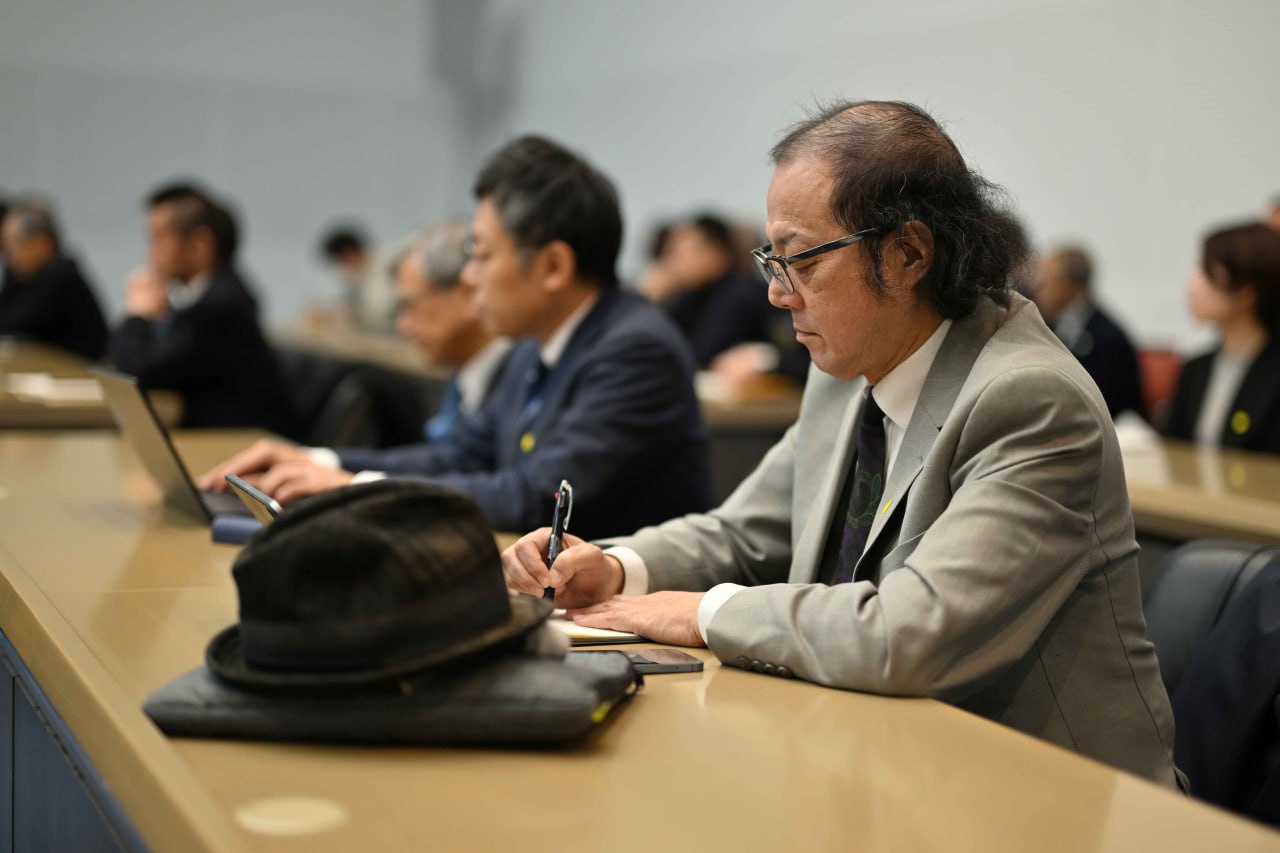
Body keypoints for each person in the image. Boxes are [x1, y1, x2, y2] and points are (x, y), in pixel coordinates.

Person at [503, 100, 1181, 787]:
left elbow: (911, 634)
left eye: (799, 260)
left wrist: (704, 611)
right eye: (770, 260)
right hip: (883, 764)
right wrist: (617, 569)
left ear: (909, 253)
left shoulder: (1031, 399)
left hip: (1046, 797)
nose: (777, 294)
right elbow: (745, 533)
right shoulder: (844, 370)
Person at [200, 136, 713, 539]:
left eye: (482, 255)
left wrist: (354, 489)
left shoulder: (635, 350)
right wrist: (322, 463)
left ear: (554, 266)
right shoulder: (534, 343)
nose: (469, 277)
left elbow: (537, 497)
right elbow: (462, 455)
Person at [109, 183, 297, 436]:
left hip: (241, 443)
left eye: (158, 239)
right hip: (217, 436)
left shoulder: (220, 306)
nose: (150, 254)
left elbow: (135, 374)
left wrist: (137, 314)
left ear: (199, 244)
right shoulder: (201, 296)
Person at [1162, 222, 1280, 453]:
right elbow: (1174, 449)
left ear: (1246, 293)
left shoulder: (1273, 374)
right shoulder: (1196, 368)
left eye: (1208, 274)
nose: (1192, 285)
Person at [646, 214, 777, 368]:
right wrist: (653, 301)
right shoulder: (688, 294)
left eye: (681, 253)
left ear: (716, 254)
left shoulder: (740, 294)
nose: (671, 262)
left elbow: (699, 354)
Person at [1031, 245, 1145, 419]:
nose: (1038, 289)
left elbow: (1099, 399)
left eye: (1048, 282)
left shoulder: (1109, 338)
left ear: (1072, 286)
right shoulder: (1047, 326)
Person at [0, 200, 110, 360]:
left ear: (41, 242)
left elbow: (14, 324)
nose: (10, 258)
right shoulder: (24, 275)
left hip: (83, 369)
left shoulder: (60, 275)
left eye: (14, 245)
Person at [318, 224, 395, 333]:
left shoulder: (384, 271)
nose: (342, 270)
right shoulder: (360, 278)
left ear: (350, 254)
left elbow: (380, 314)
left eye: (342, 262)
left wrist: (351, 318)